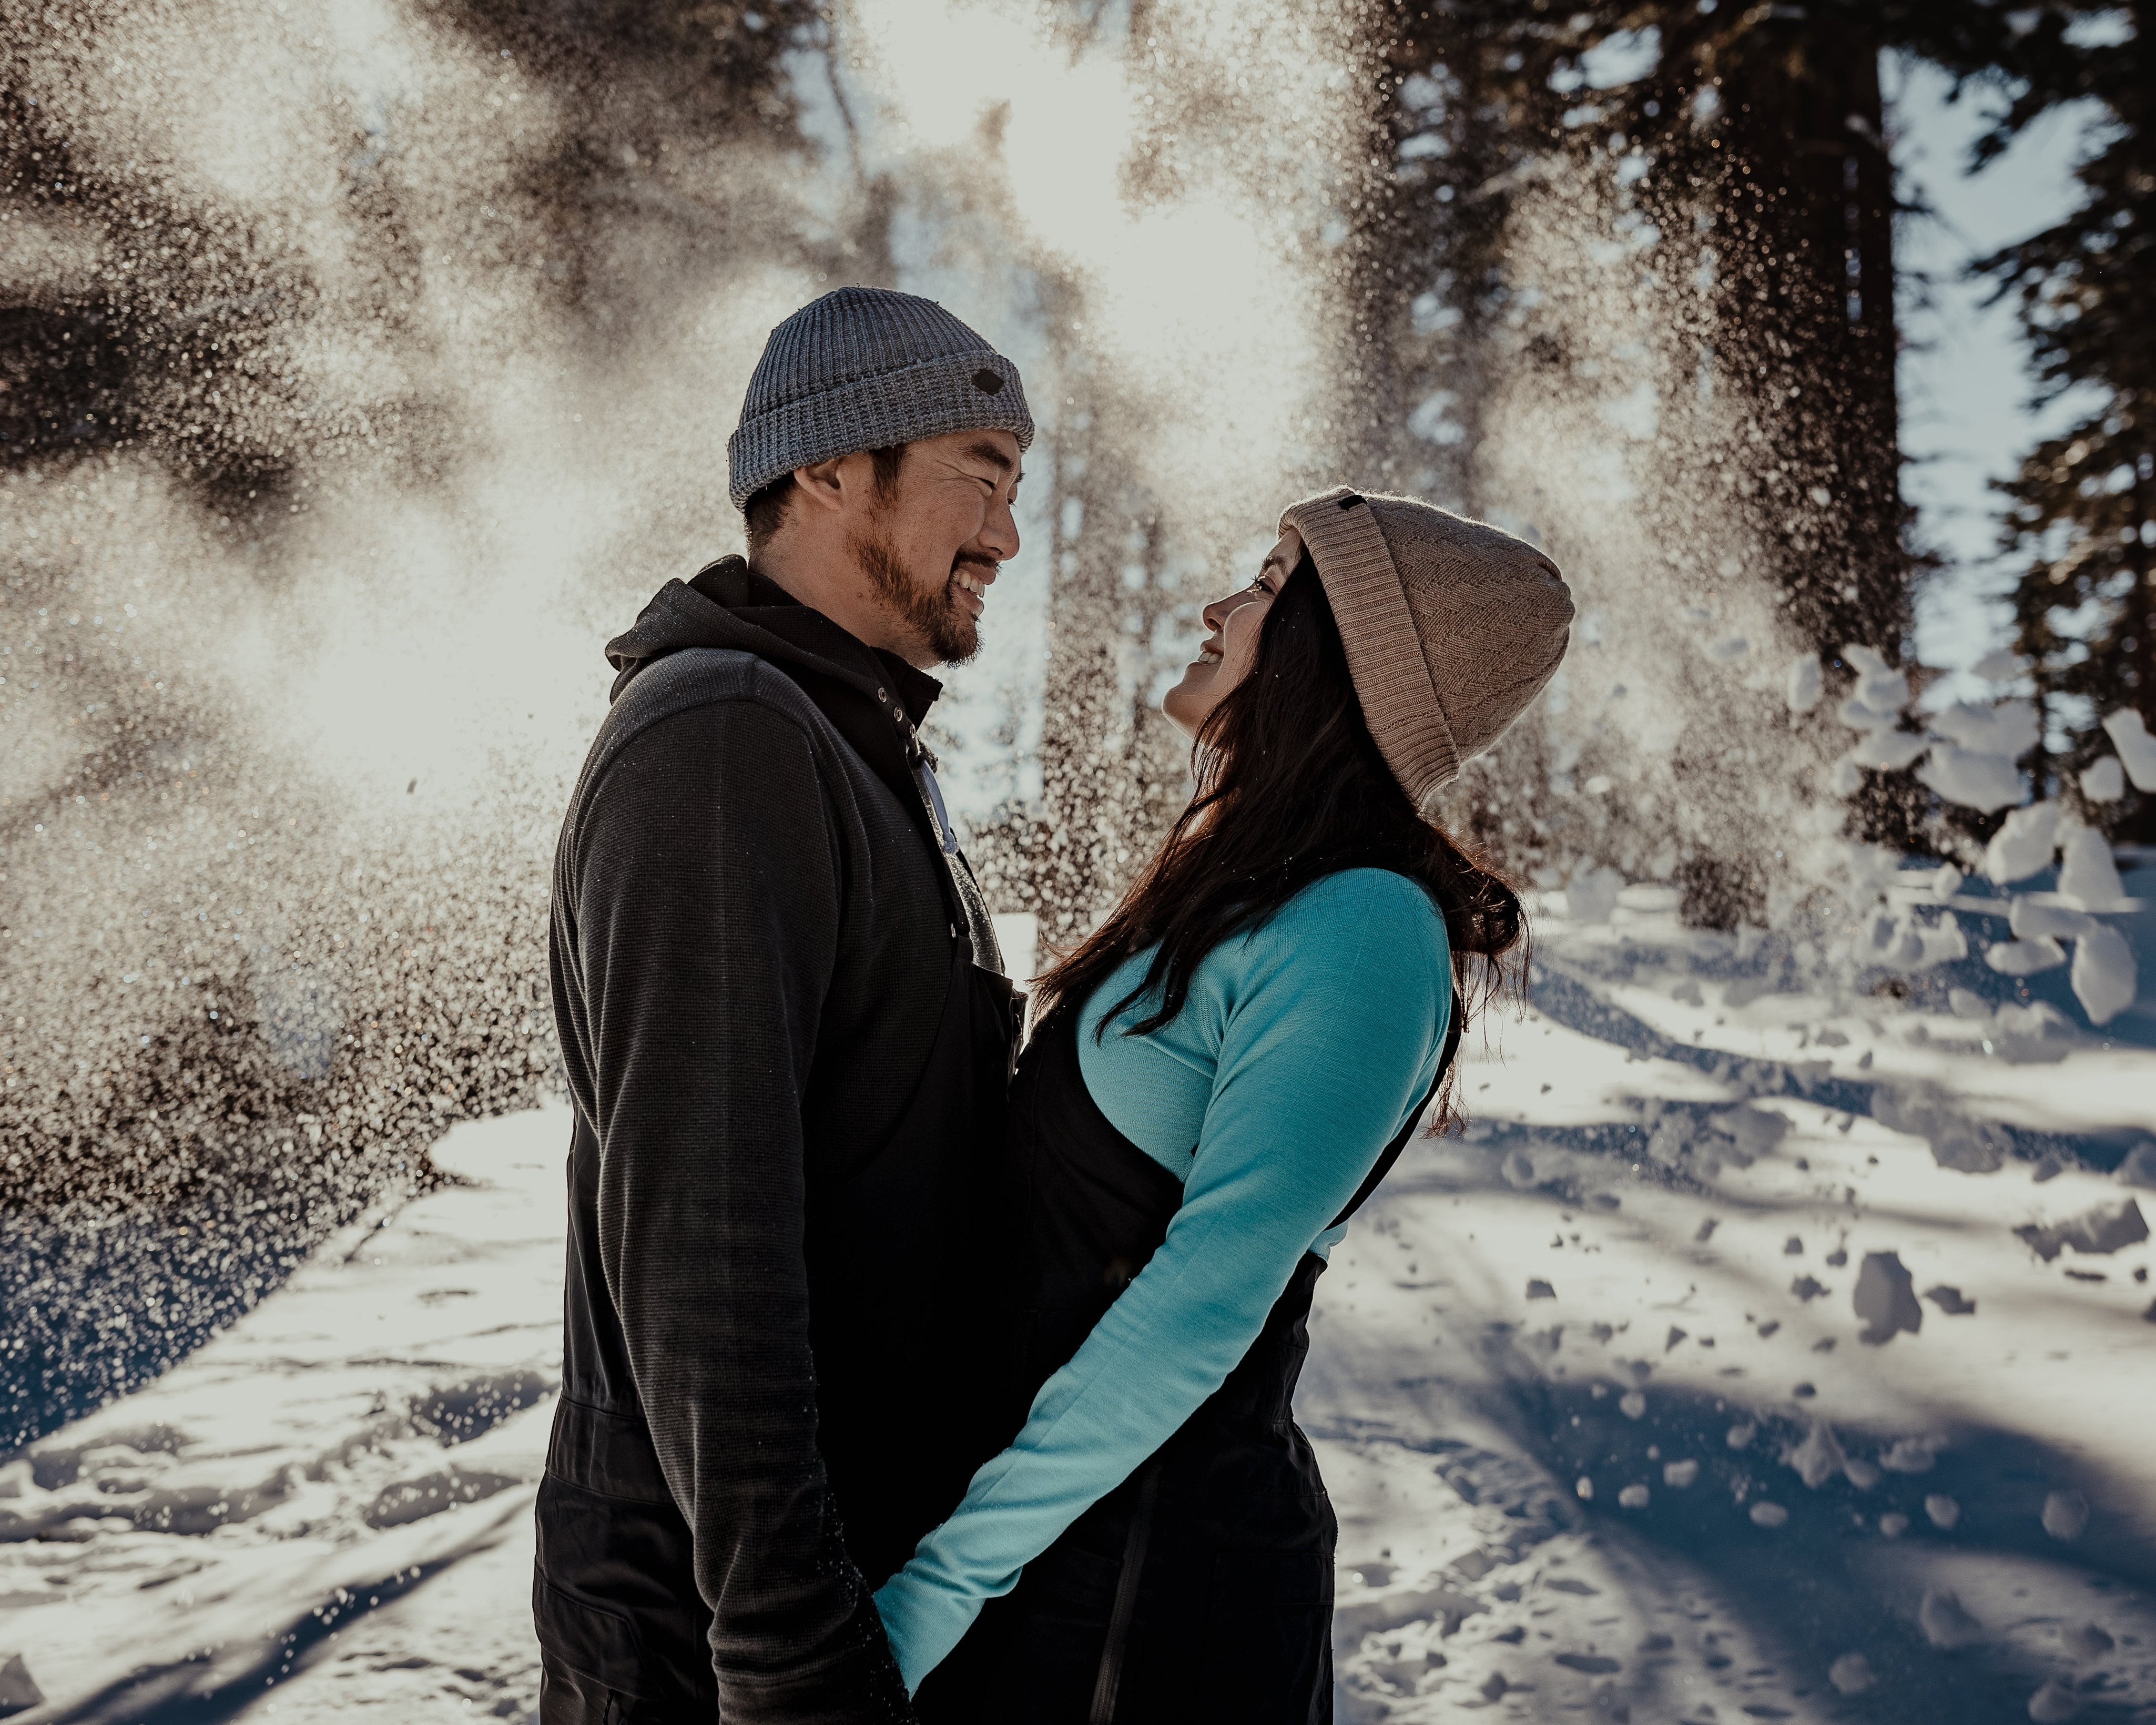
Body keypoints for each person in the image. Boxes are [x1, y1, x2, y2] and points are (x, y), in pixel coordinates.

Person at [876, 486, 1574, 1723]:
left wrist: (930, 1593)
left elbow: (1201, 1305)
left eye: (1263, 586)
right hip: (1049, 1564)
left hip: (1145, 1613)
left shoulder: (1362, 928)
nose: (1217, 606)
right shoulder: (1248, 885)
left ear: (1338, 651)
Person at [536, 287, 1035, 1722]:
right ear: (827, 469)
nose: (1004, 536)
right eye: (979, 478)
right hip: (720, 1641)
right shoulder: (725, 739)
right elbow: (702, 1250)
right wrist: (790, 1657)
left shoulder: (845, 745)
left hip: (841, 1590)